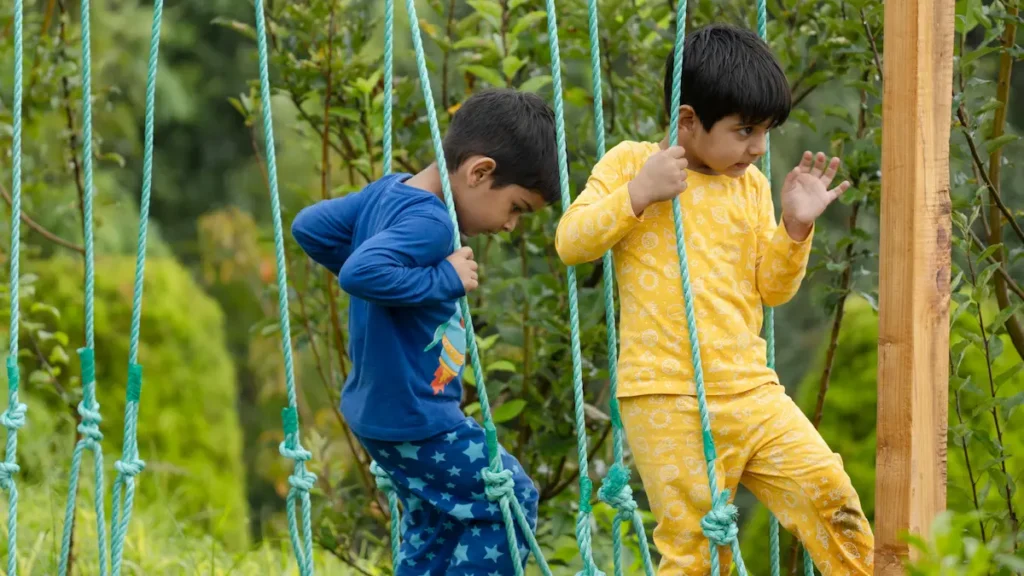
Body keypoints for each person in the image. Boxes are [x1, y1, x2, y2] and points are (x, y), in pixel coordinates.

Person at [554, 23, 874, 576]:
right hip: (666, 397)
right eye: (744, 130)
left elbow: (771, 289)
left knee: (831, 499)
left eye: (766, 130)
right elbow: (571, 242)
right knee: (699, 554)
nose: (758, 147)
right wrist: (638, 194)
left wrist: (795, 228)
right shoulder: (633, 164)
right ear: (687, 121)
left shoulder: (749, 184)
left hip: (752, 391)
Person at [292, 88, 559, 575]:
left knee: (436, 532)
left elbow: (310, 226)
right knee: (512, 499)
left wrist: (394, 288)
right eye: (516, 208)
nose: (511, 227)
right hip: (417, 419)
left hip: (383, 415)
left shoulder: (388, 192)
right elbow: (359, 273)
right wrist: (440, 279)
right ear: (480, 172)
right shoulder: (432, 223)